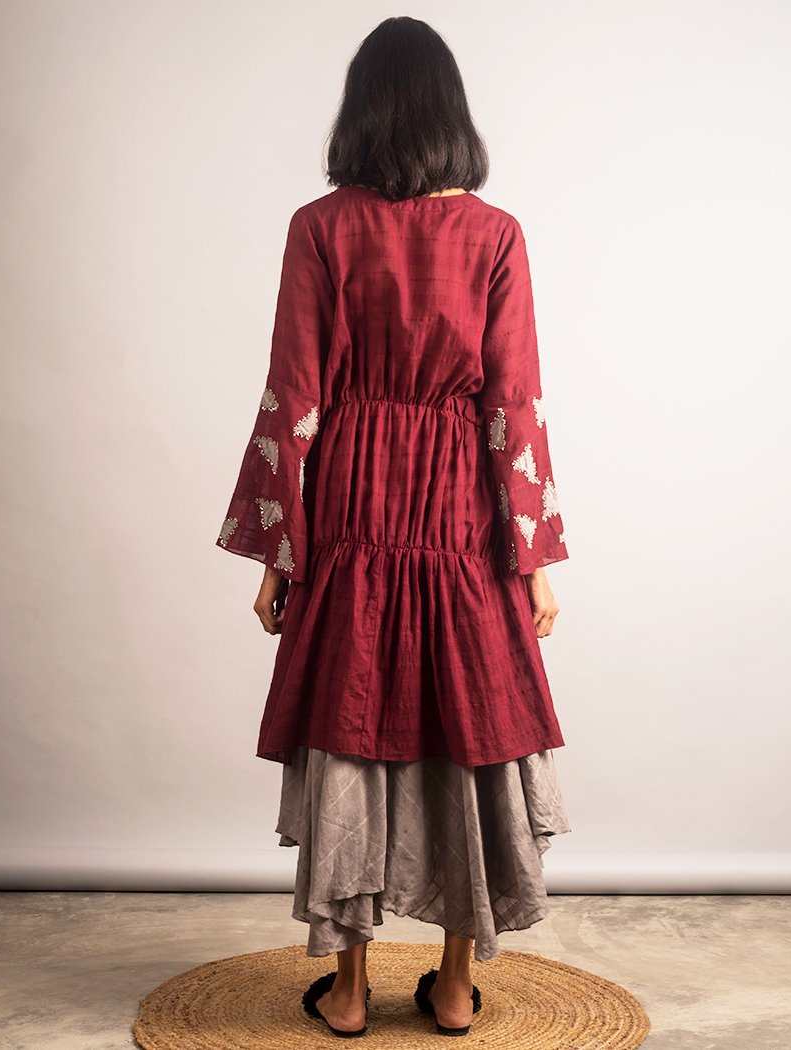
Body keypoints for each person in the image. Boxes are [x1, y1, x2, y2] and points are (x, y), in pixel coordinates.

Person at [216, 15, 572, 1038]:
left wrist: (278, 556)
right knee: (471, 724)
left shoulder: (320, 227)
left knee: (352, 721)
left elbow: (295, 394)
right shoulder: (496, 235)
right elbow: (513, 406)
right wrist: (534, 560)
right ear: (452, 113)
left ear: (360, 111)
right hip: (461, 507)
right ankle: (456, 987)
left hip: (354, 500)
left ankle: (347, 990)